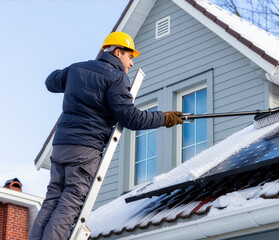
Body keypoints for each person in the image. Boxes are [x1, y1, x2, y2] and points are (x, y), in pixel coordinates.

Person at [29, 32, 183, 240]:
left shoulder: (76, 69)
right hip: (85, 148)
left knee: (53, 199)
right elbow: (131, 118)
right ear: (117, 52)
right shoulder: (117, 78)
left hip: (61, 145)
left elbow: (50, 82)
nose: (131, 63)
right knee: (70, 202)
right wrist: (163, 118)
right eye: (130, 57)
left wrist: (74, 75)